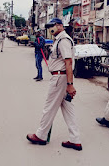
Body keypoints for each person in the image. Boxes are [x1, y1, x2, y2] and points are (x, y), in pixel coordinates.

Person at [27, 18, 82, 151]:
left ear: (59, 26)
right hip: (61, 77)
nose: (50, 29)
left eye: (52, 26)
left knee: (49, 106)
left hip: (60, 78)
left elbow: (68, 62)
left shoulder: (63, 40)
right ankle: (75, 140)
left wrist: (70, 84)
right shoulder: (59, 39)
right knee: (68, 110)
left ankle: (40, 135)